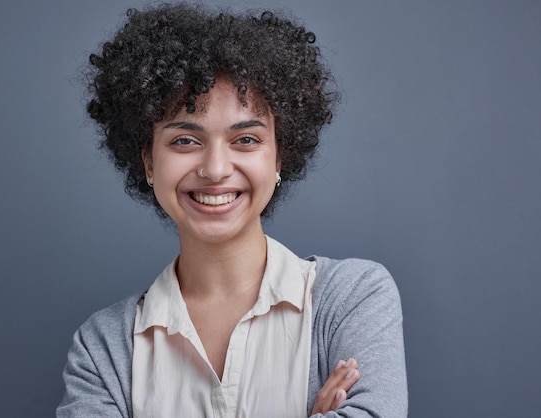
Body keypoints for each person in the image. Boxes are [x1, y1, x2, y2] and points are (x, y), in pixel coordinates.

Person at [57, 3, 407, 417]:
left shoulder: (352, 298)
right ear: (149, 163)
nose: (216, 169)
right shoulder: (103, 349)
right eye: (185, 140)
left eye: (245, 140)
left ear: (280, 157)